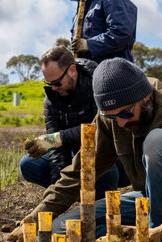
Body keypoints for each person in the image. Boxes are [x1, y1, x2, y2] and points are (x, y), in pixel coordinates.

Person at [3, 58, 162, 242]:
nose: (121, 122)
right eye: (111, 116)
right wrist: (31, 222)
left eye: (126, 113)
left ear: (145, 97)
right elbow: (79, 172)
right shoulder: (113, 118)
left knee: (158, 140)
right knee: (62, 229)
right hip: (152, 199)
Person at [21, 46, 128, 199]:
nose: (53, 88)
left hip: (111, 154)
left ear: (72, 70)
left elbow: (100, 131)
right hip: (75, 153)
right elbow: (56, 150)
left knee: (93, 159)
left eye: (57, 82)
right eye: (49, 83)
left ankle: (102, 205)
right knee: (28, 164)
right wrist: (58, 192)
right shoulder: (51, 100)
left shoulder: (99, 85)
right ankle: (76, 195)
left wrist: (58, 138)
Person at [64, 0, 137, 63]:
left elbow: (121, 34)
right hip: (87, 72)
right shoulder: (81, 6)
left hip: (113, 71)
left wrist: (88, 45)